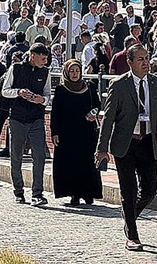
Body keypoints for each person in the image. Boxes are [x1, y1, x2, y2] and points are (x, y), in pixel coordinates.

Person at [96, 44, 157, 252]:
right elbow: (108, 118)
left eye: (147, 58)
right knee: (128, 190)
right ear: (129, 62)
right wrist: (102, 148)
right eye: (140, 59)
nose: (145, 62)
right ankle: (132, 234)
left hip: (148, 142)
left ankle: (129, 215)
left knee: (150, 189)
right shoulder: (119, 85)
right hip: (125, 143)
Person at [1, 43, 52, 206]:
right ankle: (18, 190)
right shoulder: (15, 68)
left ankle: (38, 192)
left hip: (36, 118)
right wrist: (19, 92)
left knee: (40, 155)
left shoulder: (45, 72)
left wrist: (41, 100)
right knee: (16, 156)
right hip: (17, 118)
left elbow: (47, 95)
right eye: (42, 58)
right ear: (32, 56)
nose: (45, 61)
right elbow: (5, 90)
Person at [50, 59, 103, 206]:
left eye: (77, 71)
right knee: (70, 164)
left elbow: (97, 105)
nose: (74, 74)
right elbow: (56, 112)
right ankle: (74, 194)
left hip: (86, 132)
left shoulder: (89, 87)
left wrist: (93, 113)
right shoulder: (61, 90)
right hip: (67, 133)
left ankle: (89, 193)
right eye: (72, 71)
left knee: (87, 163)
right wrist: (54, 131)